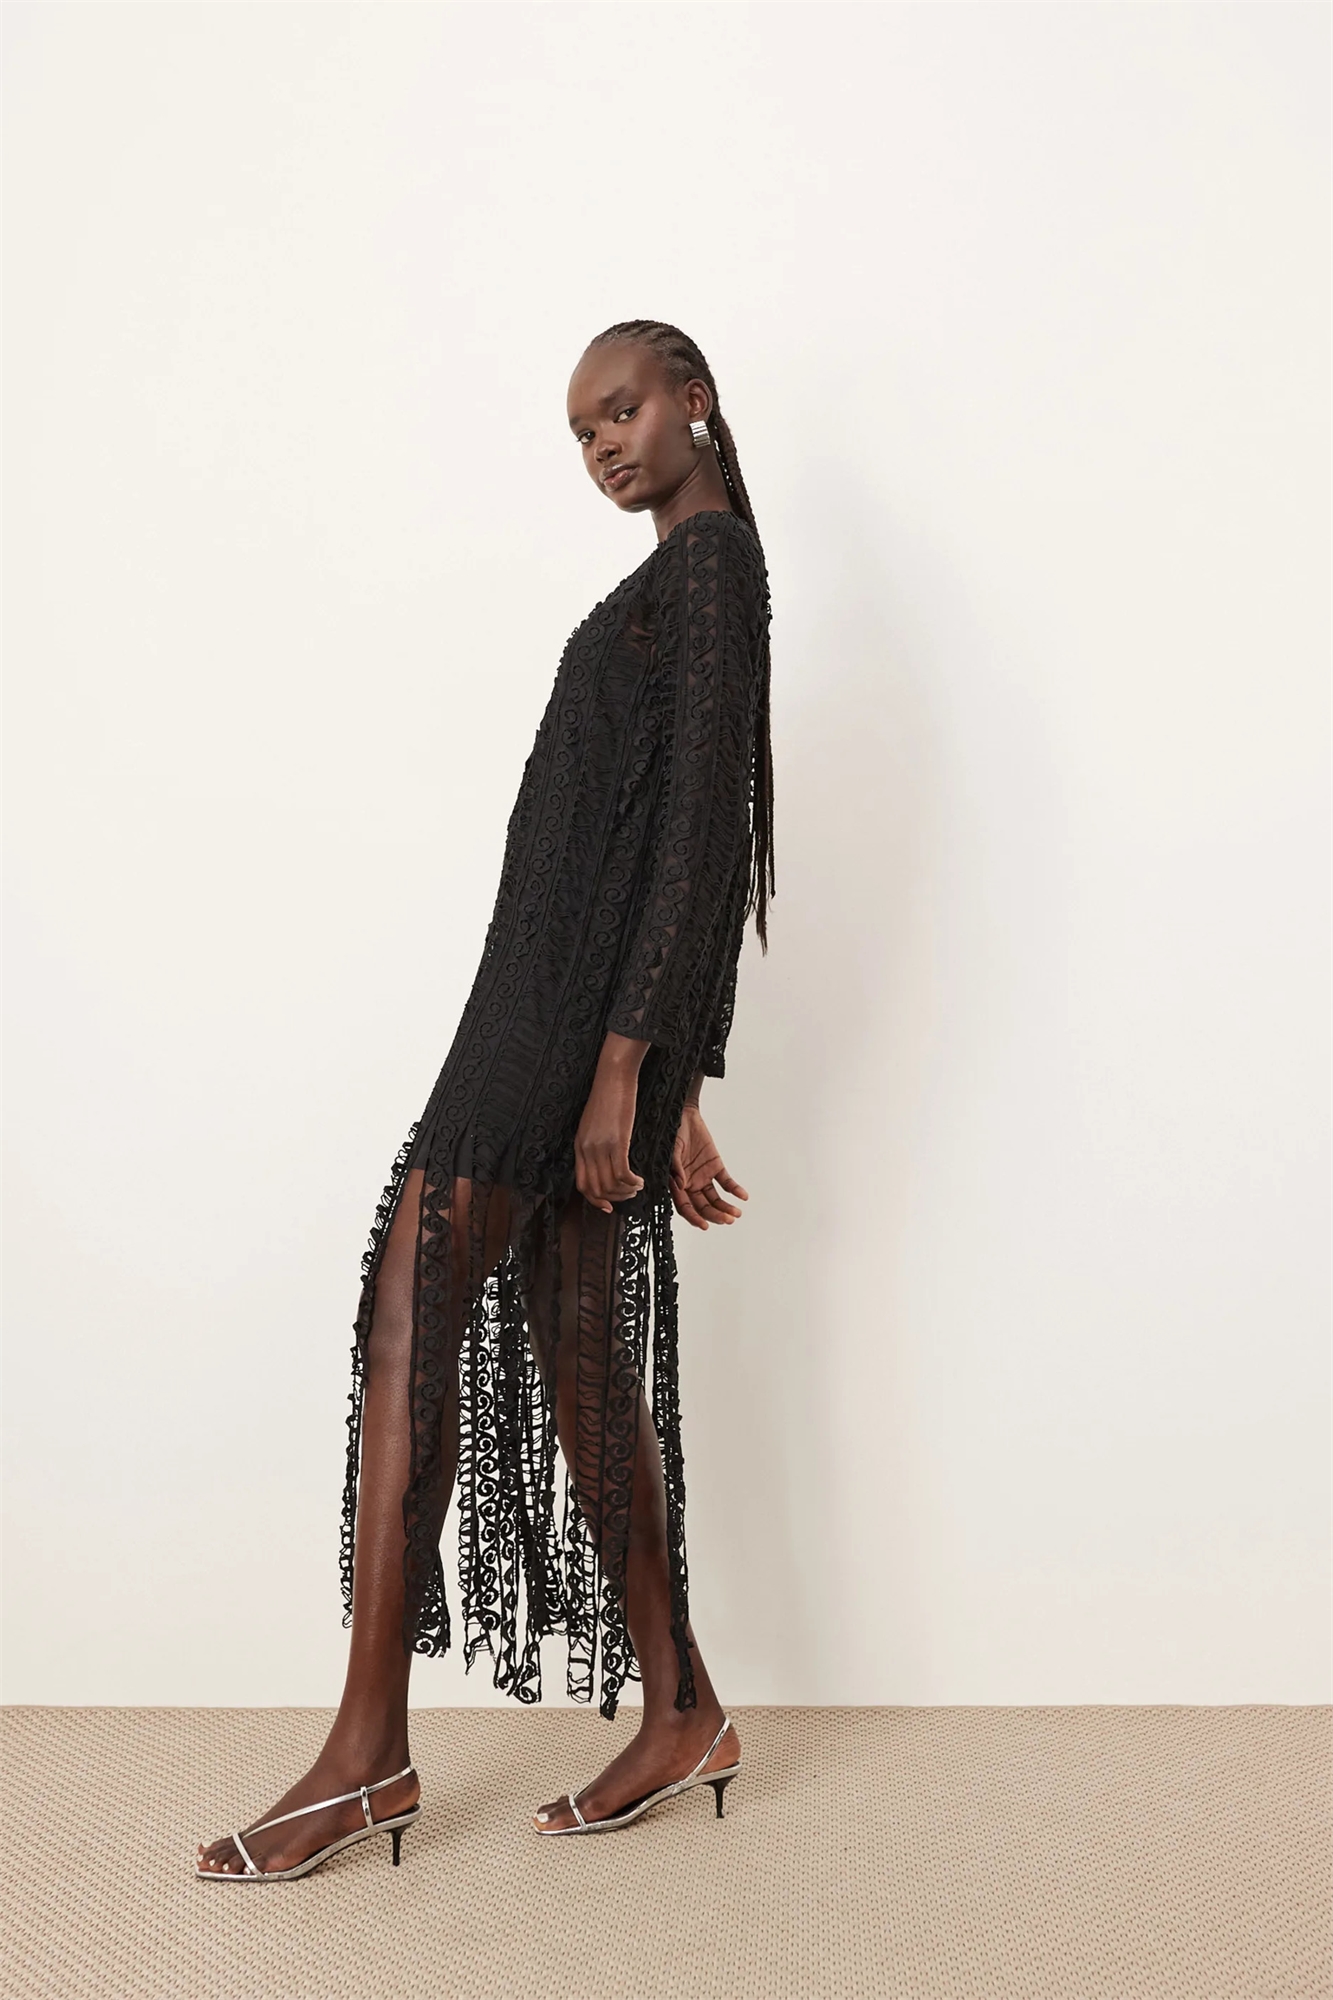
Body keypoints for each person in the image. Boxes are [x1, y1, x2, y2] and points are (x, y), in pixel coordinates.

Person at [195, 319, 775, 1879]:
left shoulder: (709, 567)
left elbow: (701, 838)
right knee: (576, 1372)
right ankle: (684, 1713)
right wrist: (663, 1091)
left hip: (561, 1032)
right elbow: (659, 836)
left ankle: (365, 1757)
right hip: (569, 1023)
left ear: (694, 401)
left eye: (622, 410)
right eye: (580, 431)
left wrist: (632, 1070)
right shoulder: (681, 578)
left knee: (412, 1310)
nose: (602, 445)